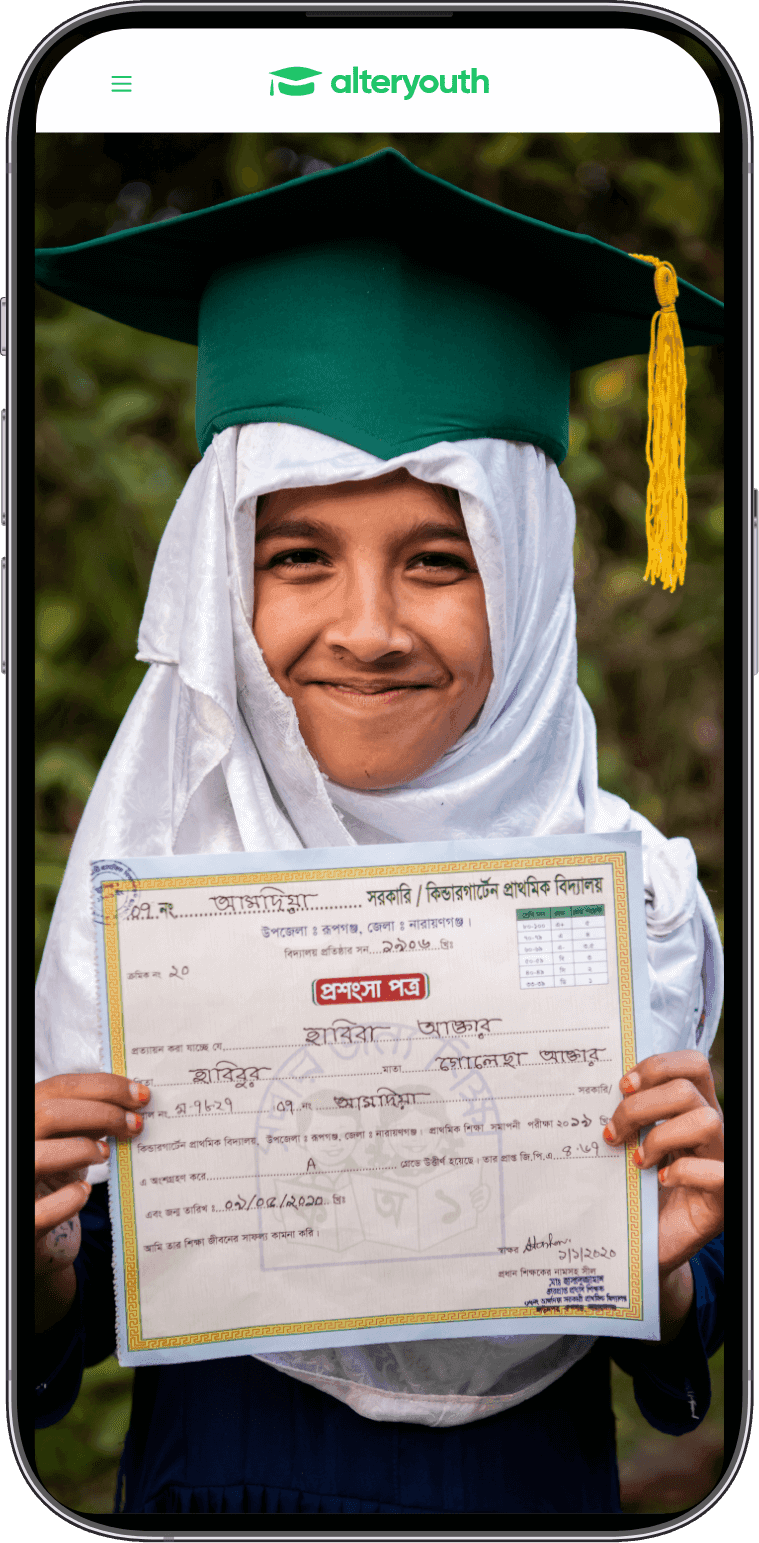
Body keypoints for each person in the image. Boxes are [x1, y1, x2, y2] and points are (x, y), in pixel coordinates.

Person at [34, 150, 725, 1515]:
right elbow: (69, 1319)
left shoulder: (641, 909)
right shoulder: (151, 893)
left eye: (438, 556)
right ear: (219, 579)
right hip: (211, 1485)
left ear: (525, 584)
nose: (364, 627)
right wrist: (34, 1252)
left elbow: (693, 1342)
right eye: (297, 556)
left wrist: (675, 1263)